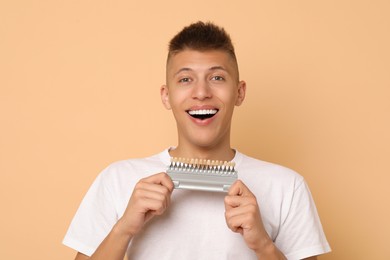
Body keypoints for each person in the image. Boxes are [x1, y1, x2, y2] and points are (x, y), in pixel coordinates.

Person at [63, 21, 331, 260]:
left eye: (217, 78)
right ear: (166, 96)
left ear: (239, 92)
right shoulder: (118, 179)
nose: (201, 92)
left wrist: (263, 246)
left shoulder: (287, 186)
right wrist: (124, 229)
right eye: (185, 79)